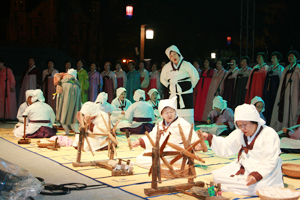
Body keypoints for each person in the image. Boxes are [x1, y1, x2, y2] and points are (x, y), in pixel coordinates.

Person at [202, 104, 283, 196]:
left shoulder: (269, 134)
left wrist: (256, 175)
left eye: (245, 125)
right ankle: (237, 185)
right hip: (245, 166)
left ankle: (233, 186)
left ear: (254, 121)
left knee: (259, 187)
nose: (242, 128)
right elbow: (226, 145)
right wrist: (209, 137)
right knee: (217, 177)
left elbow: (270, 160)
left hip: (265, 170)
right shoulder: (239, 133)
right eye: (239, 125)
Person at [132, 97, 202, 169]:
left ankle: (173, 165)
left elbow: (192, 135)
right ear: (161, 114)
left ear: (175, 112)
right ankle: (166, 166)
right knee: (140, 158)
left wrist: (197, 144)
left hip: (176, 153)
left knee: (156, 161)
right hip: (161, 151)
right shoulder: (160, 124)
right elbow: (152, 136)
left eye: (171, 112)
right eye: (166, 113)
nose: (169, 115)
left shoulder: (182, 123)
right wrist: (139, 141)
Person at [161, 45, 200, 124]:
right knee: (174, 114)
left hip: (186, 94)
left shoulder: (187, 64)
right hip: (174, 94)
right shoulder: (167, 67)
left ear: (178, 54)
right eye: (171, 56)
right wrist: (170, 86)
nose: (173, 57)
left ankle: (189, 133)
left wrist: (188, 86)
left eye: (175, 54)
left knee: (187, 115)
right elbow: (163, 79)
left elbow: (195, 77)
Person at [270, 50, 300, 131]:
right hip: (286, 91)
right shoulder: (286, 68)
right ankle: (285, 126)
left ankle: (293, 126)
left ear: (296, 58)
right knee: (286, 106)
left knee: (293, 106)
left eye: (292, 56)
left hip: (295, 91)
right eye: (289, 56)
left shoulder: (298, 67)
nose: (290, 58)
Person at [54, 68, 81, 135]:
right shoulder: (75, 81)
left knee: (64, 107)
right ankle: (76, 130)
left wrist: (57, 84)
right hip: (76, 88)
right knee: (74, 109)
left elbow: (56, 75)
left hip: (66, 86)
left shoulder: (63, 75)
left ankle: (67, 131)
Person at [262, 52, 284, 125]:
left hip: (275, 89)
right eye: (272, 58)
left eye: (274, 58)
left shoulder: (280, 68)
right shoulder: (270, 67)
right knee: (267, 104)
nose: (272, 59)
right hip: (268, 89)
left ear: (278, 59)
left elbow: (281, 80)